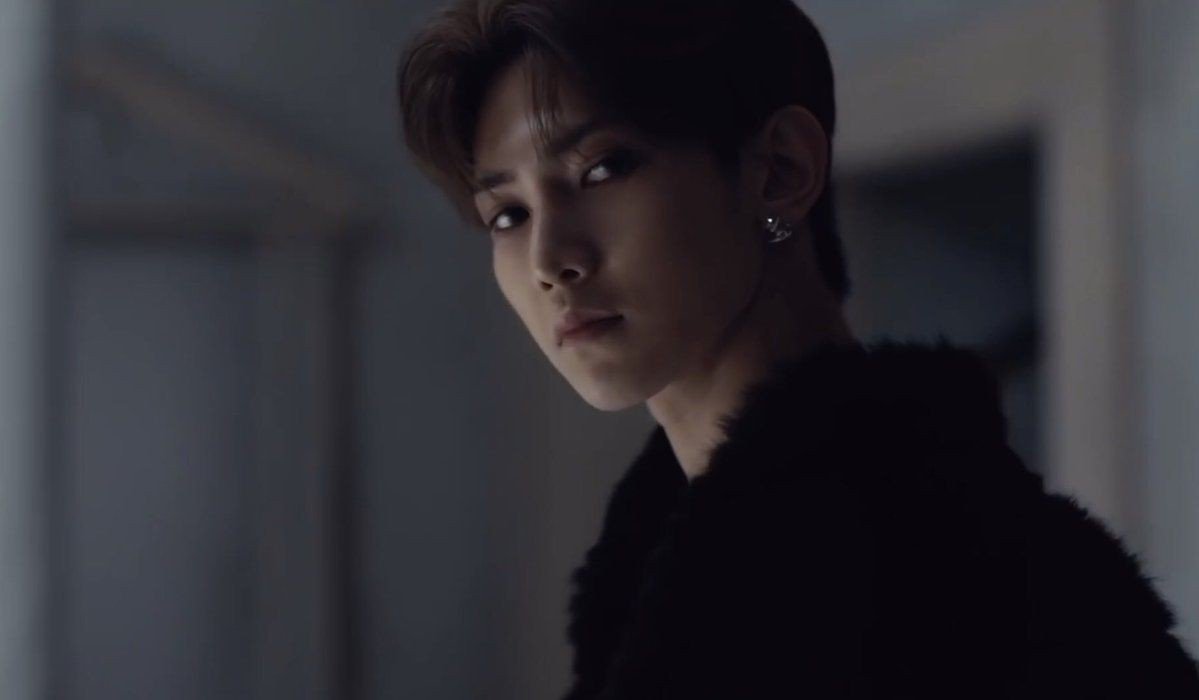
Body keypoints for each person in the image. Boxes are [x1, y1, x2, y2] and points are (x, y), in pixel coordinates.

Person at [396, 0, 1199, 696]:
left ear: (779, 170)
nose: (548, 260)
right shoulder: (674, 582)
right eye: (507, 215)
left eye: (603, 168)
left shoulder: (942, 574)